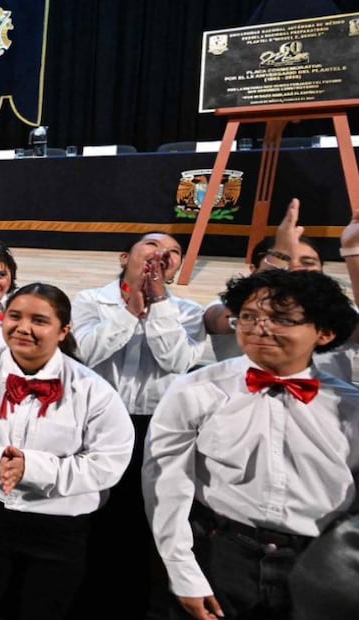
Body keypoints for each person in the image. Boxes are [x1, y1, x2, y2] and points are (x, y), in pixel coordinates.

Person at [143, 269, 359, 620]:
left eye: (282, 319)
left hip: (318, 558)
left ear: (325, 332)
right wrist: (183, 573)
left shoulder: (350, 406)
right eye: (249, 316)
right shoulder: (196, 389)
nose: (260, 327)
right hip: (220, 550)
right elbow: (165, 485)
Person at [0, 283, 134, 619]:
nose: (23, 328)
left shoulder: (92, 389)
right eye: (15, 316)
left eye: (39, 321)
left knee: (45, 609)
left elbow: (108, 462)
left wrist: (34, 468)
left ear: (63, 331)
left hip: (57, 521)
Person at [71, 231, 205, 618]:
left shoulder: (188, 312)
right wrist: (129, 311)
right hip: (98, 423)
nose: (162, 253)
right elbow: (86, 353)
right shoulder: (90, 301)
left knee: (147, 522)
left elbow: (175, 360)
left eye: (174, 251)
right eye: (151, 245)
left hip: (157, 428)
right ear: (123, 256)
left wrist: (159, 303)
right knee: (94, 516)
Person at [205, 198, 359, 382]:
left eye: (307, 262)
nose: (296, 268)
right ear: (254, 270)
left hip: (324, 407)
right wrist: (278, 256)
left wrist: (352, 251)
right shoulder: (226, 308)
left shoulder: (338, 312)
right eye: (286, 260)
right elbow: (218, 320)